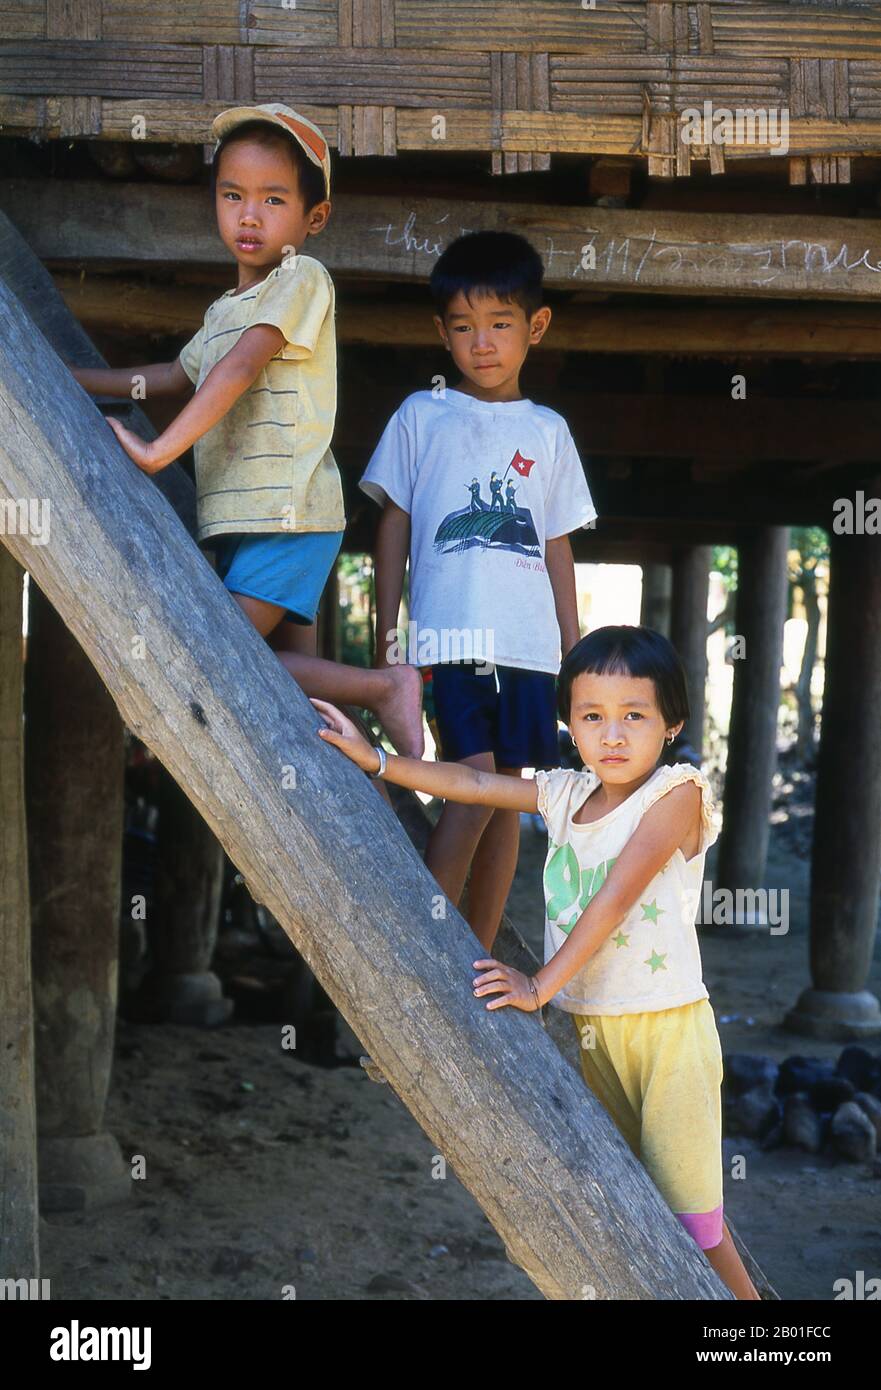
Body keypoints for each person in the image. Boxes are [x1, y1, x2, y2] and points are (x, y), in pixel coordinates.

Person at [311, 624, 761, 1300]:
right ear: (569, 726)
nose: (612, 734)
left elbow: (614, 898)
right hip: (594, 1031)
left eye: (633, 715)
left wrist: (538, 984)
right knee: (629, 1206)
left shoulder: (678, 793)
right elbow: (468, 781)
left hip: (667, 1033)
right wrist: (377, 761)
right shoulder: (564, 793)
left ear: (671, 723)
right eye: (592, 716)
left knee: (694, 1225)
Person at [69, 102, 423, 757]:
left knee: (220, 651)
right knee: (292, 701)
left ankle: (382, 688)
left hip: (288, 514)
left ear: (313, 218)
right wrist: (72, 378)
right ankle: (340, 786)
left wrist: (156, 451)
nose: (249, 215)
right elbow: (172, 376)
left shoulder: (300, 278)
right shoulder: (225, 309)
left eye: (272, 199)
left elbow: (233, 372)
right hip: (247, 521)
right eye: (233, 195)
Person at [360, 231, 597, 950]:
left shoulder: (548, 431)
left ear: (536, 325)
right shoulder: (420, 415)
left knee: (506, 800)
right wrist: (387, 641)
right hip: (451, 636)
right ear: (441, 333)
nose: (481, 344)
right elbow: (392, 528)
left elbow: (554, 542)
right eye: (463, 328)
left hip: (527, 646)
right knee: (470, 785)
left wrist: (573, 643)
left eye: (499, 324)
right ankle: (424, 952)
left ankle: (477, 954)